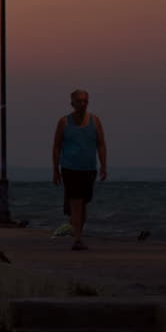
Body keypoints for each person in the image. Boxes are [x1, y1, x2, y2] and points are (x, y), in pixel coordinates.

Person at [53, 89, 107, 251]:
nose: (83, 104)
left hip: (89, 168)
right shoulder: (64, 122)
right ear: (72, 103)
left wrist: (104, 165)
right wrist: (55, 169)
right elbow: (56, 146)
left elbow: (101, 143)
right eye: (79, 101)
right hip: (70, 168)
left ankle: (77, 229)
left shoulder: (95, 121)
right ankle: (77, 239)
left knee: (83, 204)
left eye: (85, 101)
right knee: (76, 203)